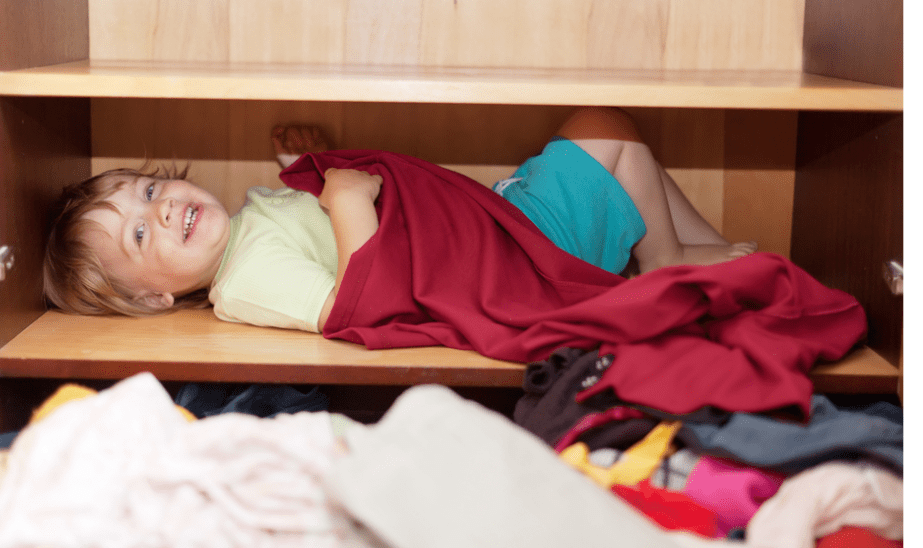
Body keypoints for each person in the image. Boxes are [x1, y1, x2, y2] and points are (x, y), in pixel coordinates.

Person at [42, 107, 756, 332]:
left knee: (624, 165)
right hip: (517, 260)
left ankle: (704, 250)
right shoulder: (246, 284)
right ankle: (666, 268)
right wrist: (346, 199)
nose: (158, 207)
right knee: (606, 131)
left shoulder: (249, 221)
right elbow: (354, 301)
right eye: (141, 234)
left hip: (494, 222)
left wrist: (312, 166)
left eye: (141, 190)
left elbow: (312, 232)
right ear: (151, 298)